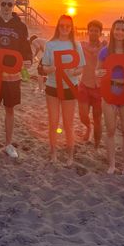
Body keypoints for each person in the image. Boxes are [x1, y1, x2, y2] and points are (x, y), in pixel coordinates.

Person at [0, 0, 32, 159]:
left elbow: (25, 48)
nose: (6, 7)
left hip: (13, 75)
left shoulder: (20, 26)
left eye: (10, 4)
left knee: (10, 109)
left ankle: (9, 144)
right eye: (3, 3)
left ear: (14, 5)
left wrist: (28, 60)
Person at [96, 19, 124, 174]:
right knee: (110, 130)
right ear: (112, 31)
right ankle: (112, 164)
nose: (120, 32)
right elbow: (98, 71)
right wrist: (99, 73)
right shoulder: (105, 51)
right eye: (117, 29)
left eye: (123, 29)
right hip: (109, 93)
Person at [42, 15, 85, 165]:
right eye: (62, 26)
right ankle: (53, 153)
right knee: (53, 122)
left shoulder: (76, 45)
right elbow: (44, 67)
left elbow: (81, 67)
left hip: (70, 88)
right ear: (58, 27)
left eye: (68, 26)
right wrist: (50, 69)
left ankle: (70, 156)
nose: (65, 28)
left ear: (71, 28)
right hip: (52, 87)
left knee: (68, 123)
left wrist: (75, 72)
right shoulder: (50, 45)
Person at [78, 20, 106, 148]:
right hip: (84, 84)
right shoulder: (82, 45)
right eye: (92, 30)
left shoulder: (105, 47)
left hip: (99, 87)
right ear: (88, 31)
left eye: (96, 31)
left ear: (100, 33)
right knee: (83, 115)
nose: (94, 33)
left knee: (98, 118)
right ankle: (88, 127)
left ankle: (97, 144)